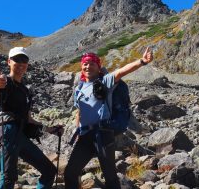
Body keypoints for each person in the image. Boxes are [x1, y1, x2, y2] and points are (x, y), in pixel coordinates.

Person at [64, 47, 153, 189]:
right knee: (70, 173)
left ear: (98, 67)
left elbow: (122, 71)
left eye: (92, 63)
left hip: (103, 134)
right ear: (81, 67)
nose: (88, 66)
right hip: (85, 135)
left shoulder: (105, 81)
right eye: (85, 64)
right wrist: (78, 129)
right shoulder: (79, 88)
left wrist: (142, 61)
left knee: (110, 175)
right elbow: (79, 111)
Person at [0, 47, 63, 189]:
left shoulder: (25, 90)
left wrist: (50, 129)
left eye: (24, 60)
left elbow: (29, 119)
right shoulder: (3, 81)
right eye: (17, 59)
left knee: (49, 170)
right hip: (8, 131)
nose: (21, 63)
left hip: (20, 135)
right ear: (9, 62)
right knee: (9, 177)